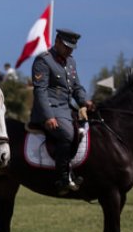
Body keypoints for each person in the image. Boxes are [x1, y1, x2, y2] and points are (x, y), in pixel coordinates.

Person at [29, 28, 95, 194]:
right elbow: (40, 91)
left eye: (72, 47)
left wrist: (84, 101)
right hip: (49, 110)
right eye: (67, 46)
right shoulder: (43, 61)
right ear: (57, 41)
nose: (69, 50)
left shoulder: (71, 62)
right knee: (67, 133)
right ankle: (62, 178)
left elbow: (77, 87)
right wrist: (48, 117)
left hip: (66, 110)